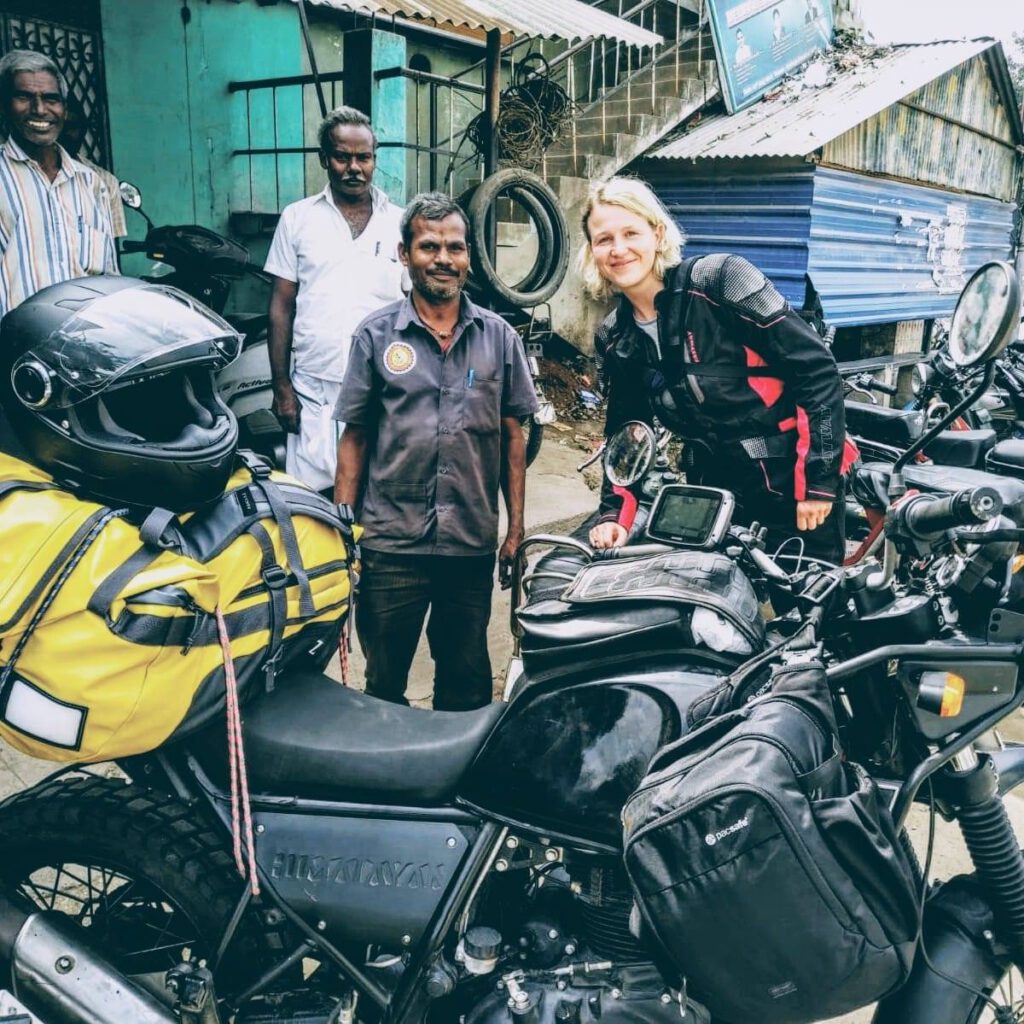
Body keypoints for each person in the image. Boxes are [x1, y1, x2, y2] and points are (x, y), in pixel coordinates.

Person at [334, 192, 539, 711]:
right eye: (429, 246)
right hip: (389, 544)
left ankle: (454, 786)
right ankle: (388, 780)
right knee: (383, 685)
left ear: (469, 256)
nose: (443, 258)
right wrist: (343, 530)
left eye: (455, 247)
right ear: (405, 254)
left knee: (466, 684)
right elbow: (354, 437)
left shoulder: (499, 337)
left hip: (468, 545)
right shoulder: (376, 337)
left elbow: (513, 435)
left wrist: (515, 529)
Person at [580, 177, 852, 565]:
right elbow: (628, 433)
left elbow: (817, 371)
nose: (618, 249)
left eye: (630, 233)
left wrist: (817, 485)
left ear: (657, 235)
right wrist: (614, 516)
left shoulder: (720, 281)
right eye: (604, 239)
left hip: (791, 485)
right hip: (712, 494)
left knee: (809, 610)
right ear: (593, 251)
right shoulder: (615, 336)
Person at [265, 105, 404, 495]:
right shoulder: (297, 218)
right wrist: (282, 386)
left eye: (364, 157)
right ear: (325, 159)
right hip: (314, 389)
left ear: (375, 160)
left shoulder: (400, 223)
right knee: (312, 495)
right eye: (343, 157)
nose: (354, 167)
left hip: (385, 387)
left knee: (380, 493)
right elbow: (281, 307)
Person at [0, 50, 118, 319]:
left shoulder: (91, 182)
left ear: (64, 109)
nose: (40, 110)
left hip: (87, 343)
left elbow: (108, 274)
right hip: (16, 348)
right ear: (4, 107)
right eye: (24, 97)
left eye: (51, 99)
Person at [59, 92, 127, 240]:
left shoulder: (105, 182)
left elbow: (111, 244)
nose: (64, 134)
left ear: (83, 130)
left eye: (71, 126)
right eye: (58, 126)